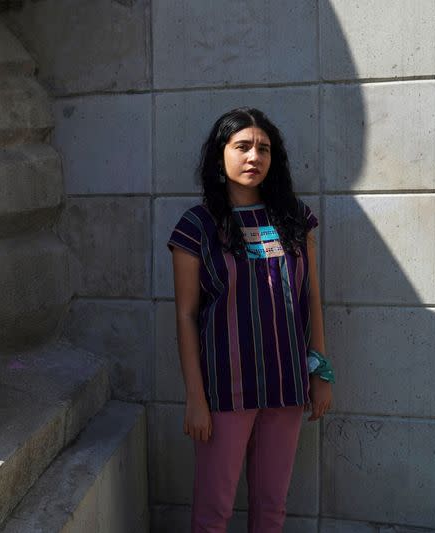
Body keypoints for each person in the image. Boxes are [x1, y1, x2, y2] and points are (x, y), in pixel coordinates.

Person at [168, 107, 334, 533]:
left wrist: (321, 372)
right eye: (241, 146)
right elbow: (186, 315)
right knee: (213, 512)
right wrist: (195, 397)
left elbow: (311, 297)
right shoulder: (197, 226)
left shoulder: (294, 218)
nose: (253, 156)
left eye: (263, 148)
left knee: (272, 508)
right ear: (219, 156)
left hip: (287, 385)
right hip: (225, 390)